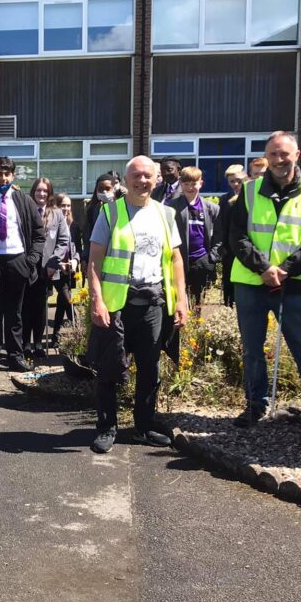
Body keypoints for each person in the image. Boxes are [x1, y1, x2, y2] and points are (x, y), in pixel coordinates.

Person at [228, 131, 301, 427]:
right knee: (252, 349)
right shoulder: (249, 192)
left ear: (297, 155)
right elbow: (236, 236)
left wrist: (286, 268)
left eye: (284, 154)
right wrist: (263, 268)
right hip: (251, 281)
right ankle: (255, 405)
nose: (278, 160)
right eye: (273, 154)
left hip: (293, 283)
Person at [87, 156, 188, 453]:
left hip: (153, 304)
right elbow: (94, 260)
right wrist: (97, 301)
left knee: (149, 370)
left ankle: (143, 427)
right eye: (136, 175)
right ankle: (106, 428)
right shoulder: (110, 213)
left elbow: (176, 259)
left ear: (156, 179)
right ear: (126, 180)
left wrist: (181, 298)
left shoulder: (166, 214)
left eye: (148, 176)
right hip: (117, 304)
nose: (142, 181)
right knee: (109, 371)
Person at [0, 157, 45, 374]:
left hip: (18, 261)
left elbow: (39, 235)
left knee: (16, 313)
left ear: (13, 176)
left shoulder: (25, 201)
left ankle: (15, 355)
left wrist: (30, 261)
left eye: (6, 174)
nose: (2, 178)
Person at [22, 178, 70, 360]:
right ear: (33, 192)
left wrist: (53, 263)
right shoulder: (25, 211)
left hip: (47, 268)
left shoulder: (56, 214)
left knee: (41, 307)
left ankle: (38, 343)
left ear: (50, 193)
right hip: (28, 266)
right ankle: (25, 343)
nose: (41, 194)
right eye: (38, 190)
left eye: (45, 191)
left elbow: (63, 241)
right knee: (26, 307)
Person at [170, 166, 220, 308]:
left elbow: (219, 236)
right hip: (179, 259)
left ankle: (196, 326)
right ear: (181, 184)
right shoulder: (172, 207)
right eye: (186, 184)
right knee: (179, 299)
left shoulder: (212, 208)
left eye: (193, 184)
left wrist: (212, 257)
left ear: (201, 183)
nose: (190, 187)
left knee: (198, 302)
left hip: (202, 261)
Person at [50, 193, 81, 347]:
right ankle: (80, 334)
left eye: (68, 205)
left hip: (70, 269)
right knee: (68, 300)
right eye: (63, 205)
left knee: (62, 302)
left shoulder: (73, 226)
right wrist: (59, 263)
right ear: (56, 206)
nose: (66, 209)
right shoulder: (52, 224)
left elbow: (77, 248)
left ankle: (55, 337)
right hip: (57, 269)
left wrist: (75, 260)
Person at [216, 164, 248, 307]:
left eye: (238, 181)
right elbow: (221, 225)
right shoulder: (224, 200)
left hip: (247, 247)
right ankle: (228, 308)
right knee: (228, 282)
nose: (235, 184)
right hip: (229, 249)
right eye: (232, 181)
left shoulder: (251, 197)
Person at [81, 174, 118, 272]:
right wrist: (85, 257)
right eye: (101, 189)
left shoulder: (119, 208)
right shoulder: (92, 209)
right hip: (96, 256)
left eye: (108, 188)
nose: (104, 192)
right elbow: (87, 235)